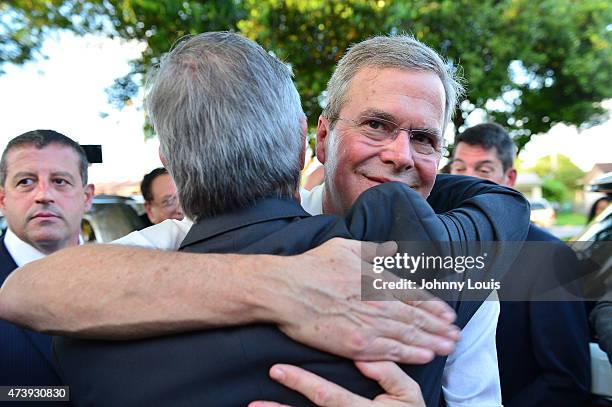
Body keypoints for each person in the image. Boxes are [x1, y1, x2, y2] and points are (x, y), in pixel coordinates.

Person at [0, 34, 530, 406]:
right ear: (317, 137)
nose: (399, 154)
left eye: (424, 139)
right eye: (377, 125)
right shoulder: (178, 239)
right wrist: (281, 283)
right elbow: (33, 290)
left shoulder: (461, 275)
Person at [449, 122, 591, 407]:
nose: (468, 180)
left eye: (483, 170)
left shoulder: (550, 256)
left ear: (509, 178)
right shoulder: (443, 246)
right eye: (459, 168)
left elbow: (565, 380)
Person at [0, 129, 94, 386]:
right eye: (26, 182)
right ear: (2, 199)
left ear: (87, 197)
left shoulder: (127, 274)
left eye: (60, 181)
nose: (43, 194)